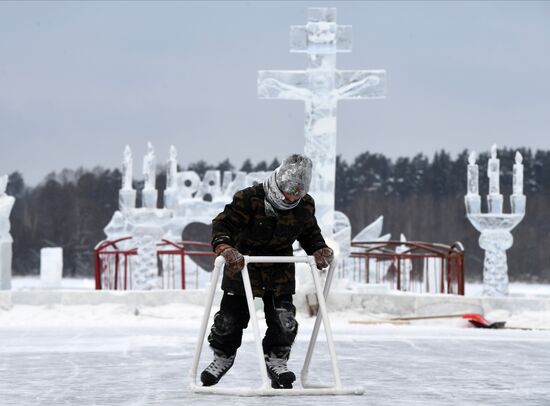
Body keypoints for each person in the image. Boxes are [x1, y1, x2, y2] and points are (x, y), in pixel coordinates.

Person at [200, 154, 334, 389]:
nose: (292, 197)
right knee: (229, 320)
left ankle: (276, 360)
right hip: (242, 266)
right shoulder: (249, 199)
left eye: (297, 193)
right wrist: (225, 247)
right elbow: (223, 224)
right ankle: (222, 356)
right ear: (279, 184)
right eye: (289, 192)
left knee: (284, 321)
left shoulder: (304, 205)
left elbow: (309, 232)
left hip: (279, 269)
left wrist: (320, 249)